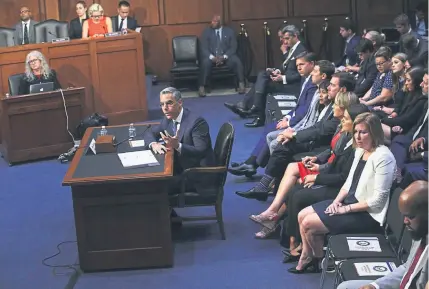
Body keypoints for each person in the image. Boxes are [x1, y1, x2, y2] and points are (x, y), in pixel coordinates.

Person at [289, 112, 396, 274]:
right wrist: (336, 201)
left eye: (363, 132)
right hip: (349, 203)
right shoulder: (360, 151)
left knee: (308, 224)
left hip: (367, 214)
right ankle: (313, 257)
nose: (358, 137)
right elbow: (348, 182)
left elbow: (377, 201)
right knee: (301, 215)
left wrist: (344, 209)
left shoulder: (384, 157)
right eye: (356, 132)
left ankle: (317, 259)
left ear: (374, 133)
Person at [249, 101, 367, 240]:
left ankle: (282, 227)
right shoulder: (345, 134)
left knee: (296, 185)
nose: (342, 120)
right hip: (327, 169)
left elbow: (343, 176)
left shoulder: (358, 145)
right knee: (292, 172)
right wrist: (316, 158)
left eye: (346, 118)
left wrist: (317, 175)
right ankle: (273, 215)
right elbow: (332, 151)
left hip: (334, 181)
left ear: (356, 123)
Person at [235, 72, 357, 200]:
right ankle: (269, 186)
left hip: (323, 146)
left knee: (284, 146)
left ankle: (268, 186)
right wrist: (293, 134)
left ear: (342, 89)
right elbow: (317, 126)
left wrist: (294, 135)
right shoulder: (334, 103)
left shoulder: (346, 109)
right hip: (320, 143)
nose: (328, 88)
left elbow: (322, 130)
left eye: (332, 85)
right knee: (283, 143)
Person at [228, 59, 334, 178]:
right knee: (271, 129)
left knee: (273, 135)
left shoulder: (319, 90)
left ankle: (267, 174)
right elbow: (300, 106)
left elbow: (307, 116)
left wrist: (291, 125)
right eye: (297, 65)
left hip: (303, 129)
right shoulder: (309, 80)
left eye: (302, 65)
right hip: (299, 121)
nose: (299, 68)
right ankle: (255, 166)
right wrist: (287, 117)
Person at [337, 180, 428, 289]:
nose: (405, 221)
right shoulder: (421, 231)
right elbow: (408, 269)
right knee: (345, 287)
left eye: (410, 216)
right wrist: (375, 286)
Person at [224, 25, 306, 126]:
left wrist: (283, 78)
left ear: (295, 36)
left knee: (263, 82)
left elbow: (301, 74)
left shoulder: (301, 51)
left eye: (287, 38)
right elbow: (287, 67)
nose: (285, 41)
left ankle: (254, 110)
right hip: (286, 81)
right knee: (262, 76)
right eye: (284, 39)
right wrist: (277, 71)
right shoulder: (293, 49)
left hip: (293, 86)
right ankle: (253, 109)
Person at [145, 87, 215, 193]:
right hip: (179, 167)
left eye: (169, 103)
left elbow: (201, 151)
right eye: (162, 104)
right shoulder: (169, 118)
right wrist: (154, 144)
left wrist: (178, 146)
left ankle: (166, 209)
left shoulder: (196, 122)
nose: (165, 108)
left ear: (180, 103)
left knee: (156, 186)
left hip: (195, 175)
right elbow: (150, 132)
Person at [199, 15, 245, 97]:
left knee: (236, 61)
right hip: (212, 57)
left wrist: (224, 57)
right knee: (205, 63)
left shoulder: (229, 31)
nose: (212, 23)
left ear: (220, 23)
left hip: (226, 57)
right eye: (212, 21)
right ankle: (202, 86)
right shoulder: (206, 32)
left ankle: (241, 83)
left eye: (215, 21)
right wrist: (212, 57)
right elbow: (204, 48)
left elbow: (233, 47)